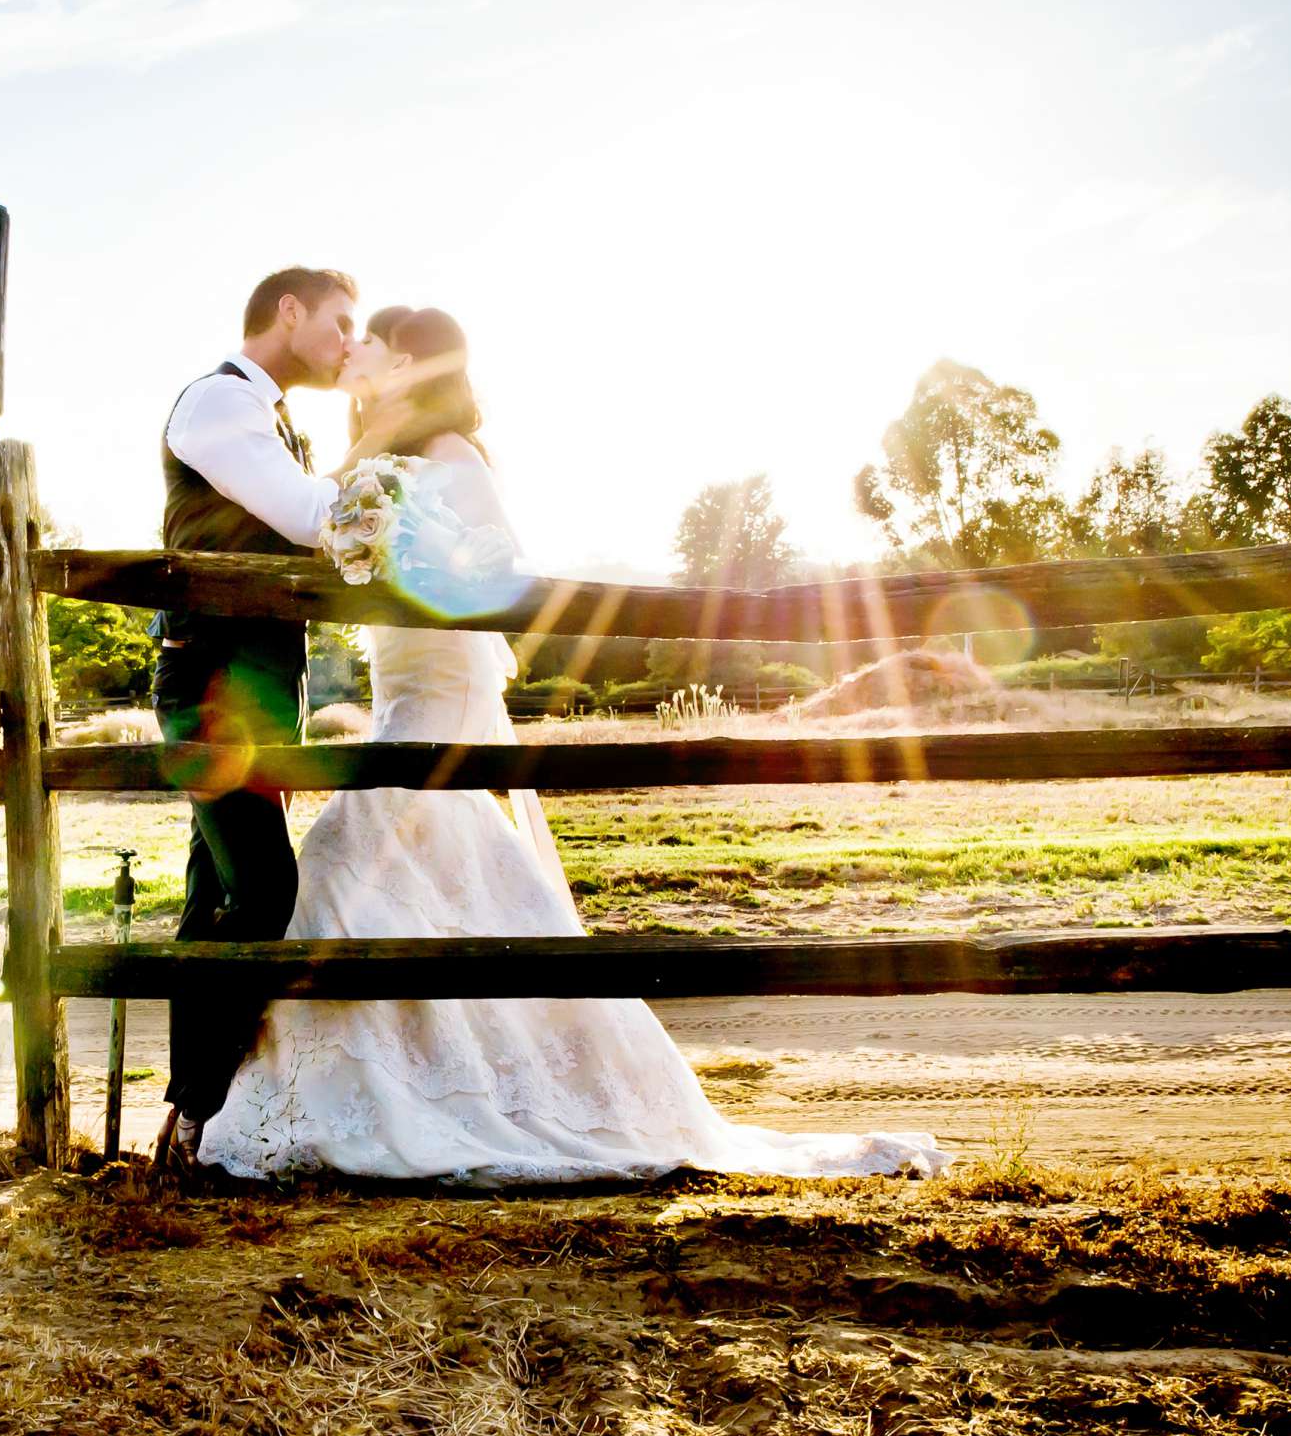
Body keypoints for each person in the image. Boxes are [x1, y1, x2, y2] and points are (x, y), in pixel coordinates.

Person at [197, 306, 950, 1184]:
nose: (350, 347)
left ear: (402, 363)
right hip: (394, 692)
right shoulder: (361, 463)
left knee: (358, 862)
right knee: (375, 873)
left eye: (366, 339)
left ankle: (458, 1090)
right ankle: (395, 1081)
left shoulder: (450, 457)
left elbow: (495, 568)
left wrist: (406, 546)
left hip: (438, 695)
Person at [150, 266, 359, 1169]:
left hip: (263, 687)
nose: (350, 341)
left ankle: (188, 1127)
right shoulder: (216, 404)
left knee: (216, 893)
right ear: (289, 311)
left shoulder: (278, 421)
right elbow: (310, 514)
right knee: (265, 890)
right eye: (341, 323)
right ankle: (201, 1106)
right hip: (209, 682)